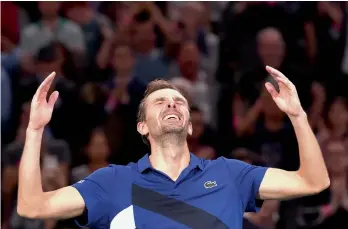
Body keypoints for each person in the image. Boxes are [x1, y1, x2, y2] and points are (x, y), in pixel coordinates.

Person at [17, 66, 330, 229]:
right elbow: (32, 206)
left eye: (179, 101)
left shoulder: (230, 174)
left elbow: (312, 181)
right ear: (143, 127)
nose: (171, 103)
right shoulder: (111, 182)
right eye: (160, 101)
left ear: (190, 124)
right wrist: (34, 130)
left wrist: (298, 115)